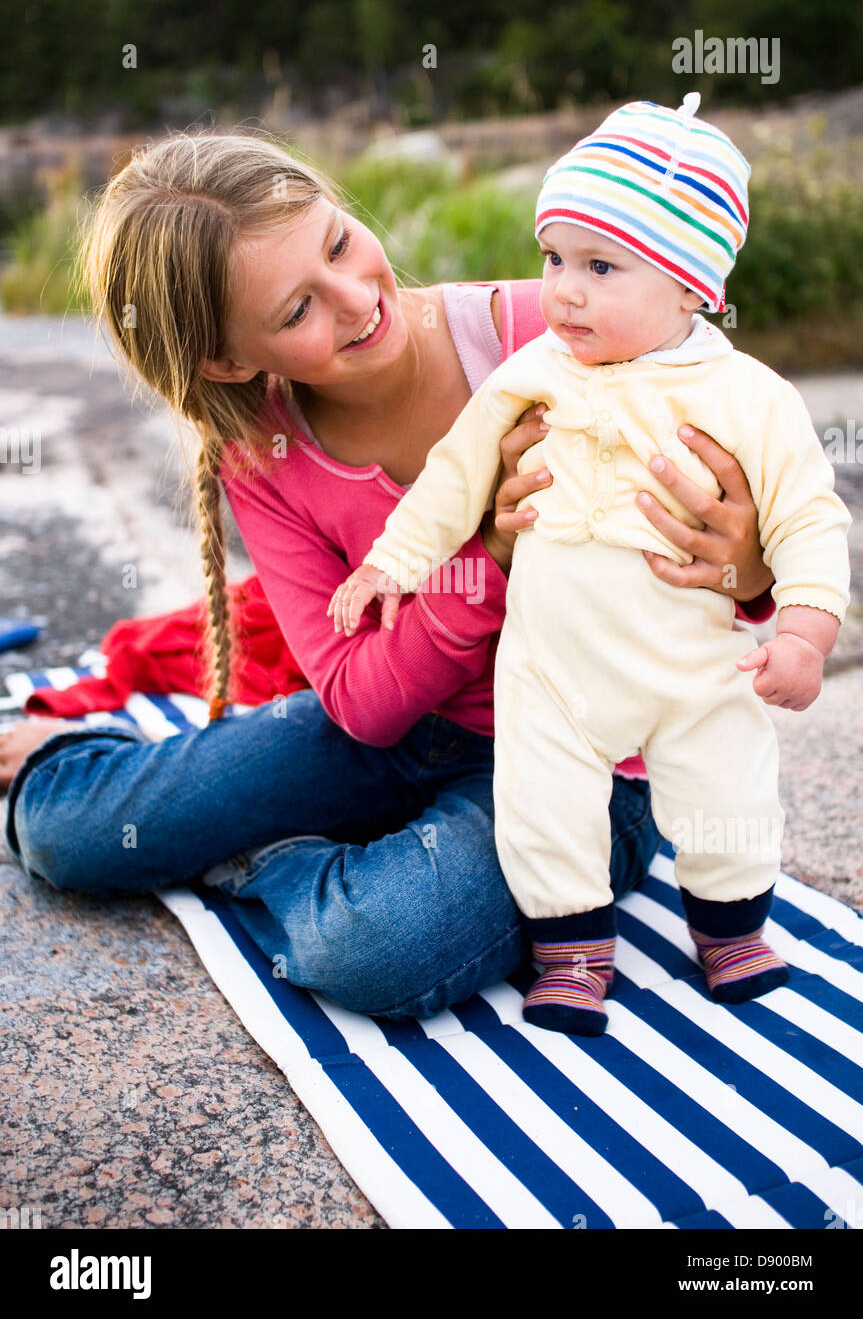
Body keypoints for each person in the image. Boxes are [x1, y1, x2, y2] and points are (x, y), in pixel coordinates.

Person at [1, 130, 778, 1021]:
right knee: (68, 834)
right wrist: (485, 558)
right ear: (227, 359)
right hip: (393, 733)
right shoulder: (265, 453)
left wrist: (747, 561)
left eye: (337, 243)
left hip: (591, 759)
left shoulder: (554, 333)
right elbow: (361, 707)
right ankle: (76, 758)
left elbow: (746, 522)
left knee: (379, 946)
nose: (357, 297)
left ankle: (264, 855)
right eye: (296, 311)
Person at [329, 95, 851, 1035]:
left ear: (692, 286)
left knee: (728, 786)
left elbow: (807, 513)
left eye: (599, 267)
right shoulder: (533, 372)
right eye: (553, 259)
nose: (562, 289)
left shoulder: (749, 396)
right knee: (542, 803)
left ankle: (731, 930)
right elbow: (456, 474)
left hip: (695, 665)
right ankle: (572, 953)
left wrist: (806, 632)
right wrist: (391, 564)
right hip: (554, 668)